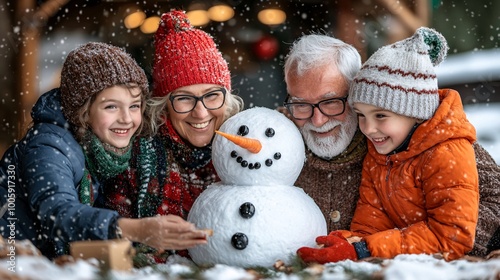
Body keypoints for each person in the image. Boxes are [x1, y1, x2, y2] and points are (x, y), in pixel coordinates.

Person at [283, 32, 500, 258]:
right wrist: (352, 244)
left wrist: (455, 245)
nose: (317, 121)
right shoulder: (279, 142)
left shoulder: (440, 142)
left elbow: (490, 202)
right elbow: (371, 216)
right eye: (300, 105)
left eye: (330, 102)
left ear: (352, 91)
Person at [0, 42, 207, 259]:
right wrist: (137, 230)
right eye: (111, 106)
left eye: (134, 106)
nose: (127, 119)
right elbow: (57, 213)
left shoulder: (99, 147)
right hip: (10, 260)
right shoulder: (49, 145)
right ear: (83, 110)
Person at [97, 10, 244, 262]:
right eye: (185, 98)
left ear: (226, 98)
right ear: (164, 105)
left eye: (211, 95)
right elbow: (111, 243)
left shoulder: (244, 151)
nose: (201, 113)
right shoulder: (134, 158)